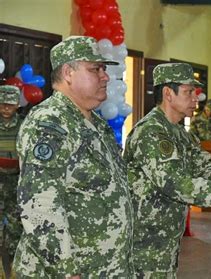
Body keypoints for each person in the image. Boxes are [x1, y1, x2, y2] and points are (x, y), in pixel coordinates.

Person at [123, 63, 211, 278]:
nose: (196, 98)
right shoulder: (151, 132)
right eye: (189, 92)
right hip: (144, 239)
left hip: (165, 237)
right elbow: (175, 184)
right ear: (168, 93)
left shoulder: (181, 134)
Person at [13, 36, 134, 278]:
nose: (105, 76)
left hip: (102, 267)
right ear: (68, 72)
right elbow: (39, 203)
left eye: (103, 69)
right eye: (95, 69)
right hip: (67, 270)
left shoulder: (96, 123)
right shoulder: (49, 123)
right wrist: (65, 270)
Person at [0, 85, 23, 278]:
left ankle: (15, 272)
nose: (6, 108)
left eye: (10, 104)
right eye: (2, 104)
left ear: (17, 104)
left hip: (17, 183)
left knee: (16, 229)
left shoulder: (25, 125)